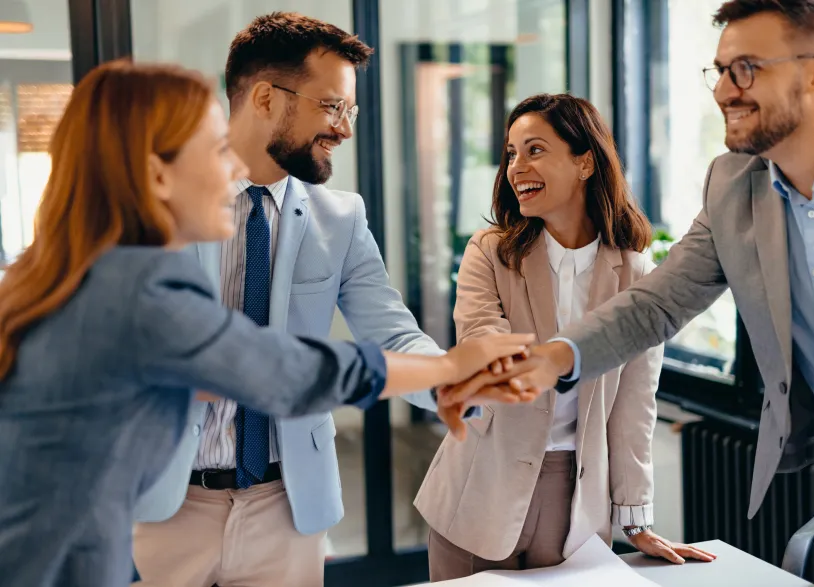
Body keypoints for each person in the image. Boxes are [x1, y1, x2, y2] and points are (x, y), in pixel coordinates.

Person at [0, 60, 539, 587]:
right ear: (157, 175)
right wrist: (449, 365)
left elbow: (218, 373)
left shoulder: (74, 275)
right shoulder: (139, 286)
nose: (234, 168)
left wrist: (444, 378)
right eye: (216, 150)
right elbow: (283, 372)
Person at [446, 2, 814, 586]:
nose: (723, 90)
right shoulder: (733, 185)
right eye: (719, 71)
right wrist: (552, 358)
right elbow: (657, 306)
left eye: (746, 69)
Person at [130, 12, 500, 587]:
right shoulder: (165, 205)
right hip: (165, 500)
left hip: (288, 504)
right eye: (331, 106)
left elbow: (391, 332)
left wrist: (451, 381)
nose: (344, 129)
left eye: (350, 110)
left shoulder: (341, 217)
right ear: (265, 97)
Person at [415, 94, 715, 581]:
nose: (517, 167)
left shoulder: (636, 273)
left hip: (574, 499)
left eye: (534, 150)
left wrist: (635, 518)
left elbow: (634, 403)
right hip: (478, 489)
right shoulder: (489, 252)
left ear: (584, 163)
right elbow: (481, 340)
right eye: (511, 153)